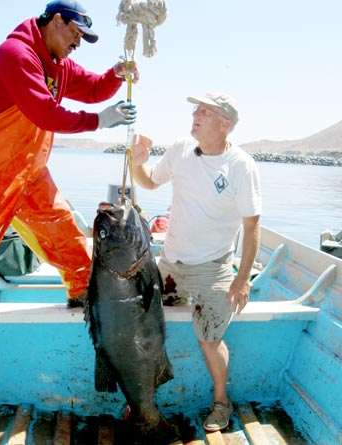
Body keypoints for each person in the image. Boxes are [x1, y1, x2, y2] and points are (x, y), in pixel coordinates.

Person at [0, 0, 139, 307]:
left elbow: (94, 89)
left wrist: (117, 74)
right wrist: (100, 121)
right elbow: (46, 115)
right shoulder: (16, 55)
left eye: (83, 37)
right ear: (55, 20)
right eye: (76, 33)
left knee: (65, 231)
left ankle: (86, 298)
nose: (78, 42)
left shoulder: (58, 65)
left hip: (29, 172)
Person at [131, 93, 261, 432]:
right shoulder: (179, 149)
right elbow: (148, 181)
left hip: (213, 268)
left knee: (209, 339)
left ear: (225, 124)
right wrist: (137, 162)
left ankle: (221, 402)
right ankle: (141, 399)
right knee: (138, 324)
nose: (195, 114)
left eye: (205, 110)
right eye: (195, 108)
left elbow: (252, 227)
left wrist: (243, 278)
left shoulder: (241, 166)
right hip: (170, 264)